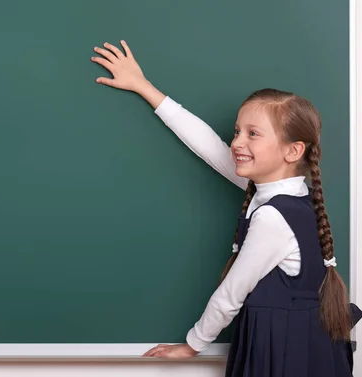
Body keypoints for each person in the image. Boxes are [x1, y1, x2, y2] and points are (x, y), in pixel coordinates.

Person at [91, 40, 362, 376]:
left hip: (284, 351)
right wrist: (144, 86)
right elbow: (210, 146)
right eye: (237, 131)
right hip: (306, 344)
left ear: (291, 151)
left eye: (253, 134)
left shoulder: (272, 217)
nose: (237, 142)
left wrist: (192, 345)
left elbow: (231, 294)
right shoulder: (289, 191)